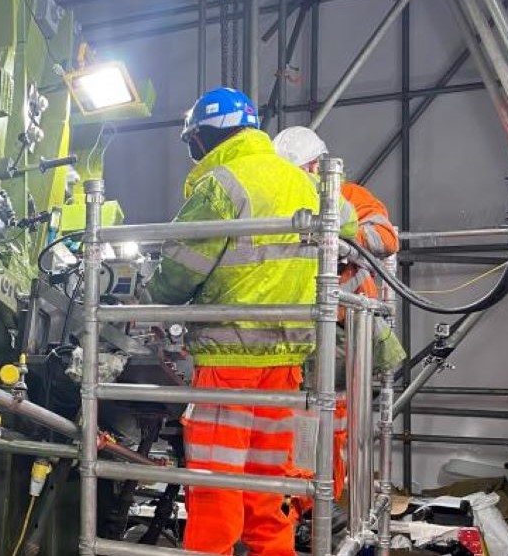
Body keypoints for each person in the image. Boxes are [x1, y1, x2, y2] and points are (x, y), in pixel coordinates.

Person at [144, 89, 357, 556]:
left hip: (229, 364)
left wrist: (150, 301)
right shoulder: (305, 184)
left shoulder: (223, 182)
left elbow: (180, 270)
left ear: (203, 136)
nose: (192, 152)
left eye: (192, 142)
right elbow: (352, 230)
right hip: (286, 367)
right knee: (266, 486)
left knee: (215, 485)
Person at [273, 125, 407, 501]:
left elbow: (385, 237)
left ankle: (316, 503)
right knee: (299, 422)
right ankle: (299, 503)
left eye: (300, 172)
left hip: (343, 328)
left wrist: (342, 240)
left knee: (329, 425)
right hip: (299, 329)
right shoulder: (284, 200)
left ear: (316, 166)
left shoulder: (350, 197)